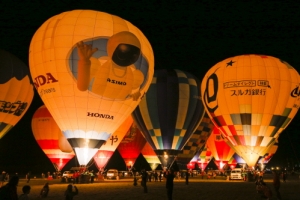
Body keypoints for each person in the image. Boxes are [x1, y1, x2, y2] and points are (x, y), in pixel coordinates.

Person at [76, 31, 145, 101]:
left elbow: (133, 97)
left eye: (132, 53)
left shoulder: (135, 75)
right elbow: (82, 87)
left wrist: (136, 96)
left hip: (118, 109)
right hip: (94, 102)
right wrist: (85, 62)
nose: (127, 55)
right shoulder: (99, 64)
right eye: (124, 50)